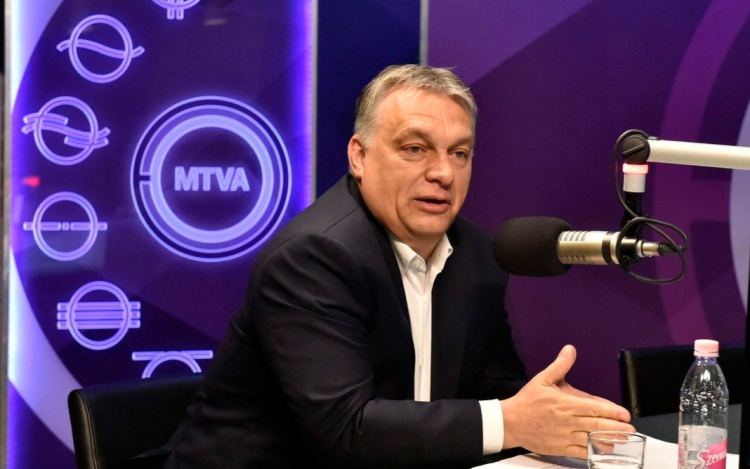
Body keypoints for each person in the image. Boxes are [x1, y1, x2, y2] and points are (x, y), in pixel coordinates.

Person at [160, 64, 634, 468]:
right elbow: (345, 427)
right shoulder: (313, 257)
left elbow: (492, 389)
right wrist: (512, 421)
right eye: (415, 149)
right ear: (359, 156)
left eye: (460, 153)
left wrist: (551, 412)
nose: (443, 173)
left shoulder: (476, 255)